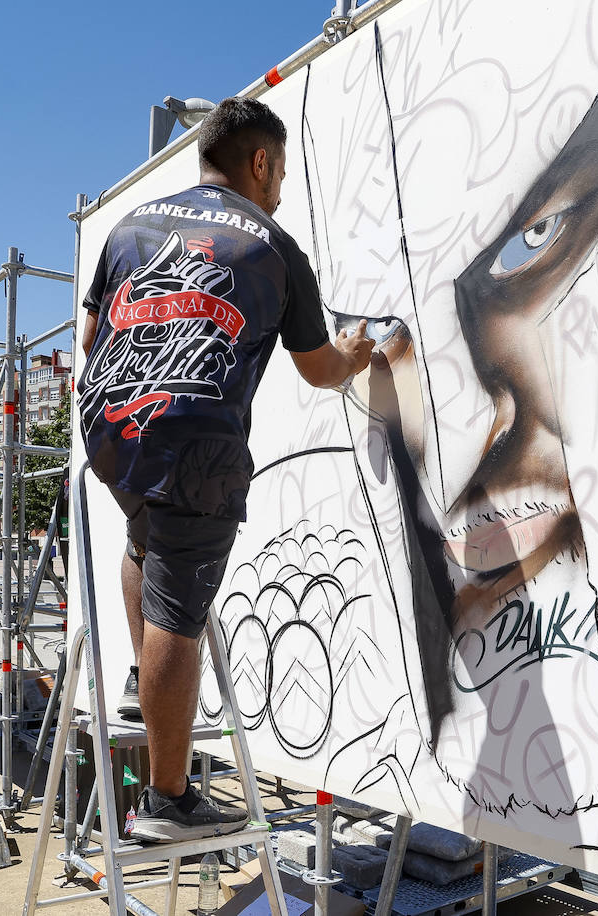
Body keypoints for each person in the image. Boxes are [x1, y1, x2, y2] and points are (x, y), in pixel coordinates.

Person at [79, 96, 374, 843]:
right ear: (260, 161)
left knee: (144, 544)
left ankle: (140, 682)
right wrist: (362, 355)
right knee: (179, 606)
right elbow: (320, 370)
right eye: (280, 174)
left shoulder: (131, 226)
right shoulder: (273, 246)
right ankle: (168, 800)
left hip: (111, 424)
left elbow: (90, 340)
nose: (281, 190)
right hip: (196, 439)